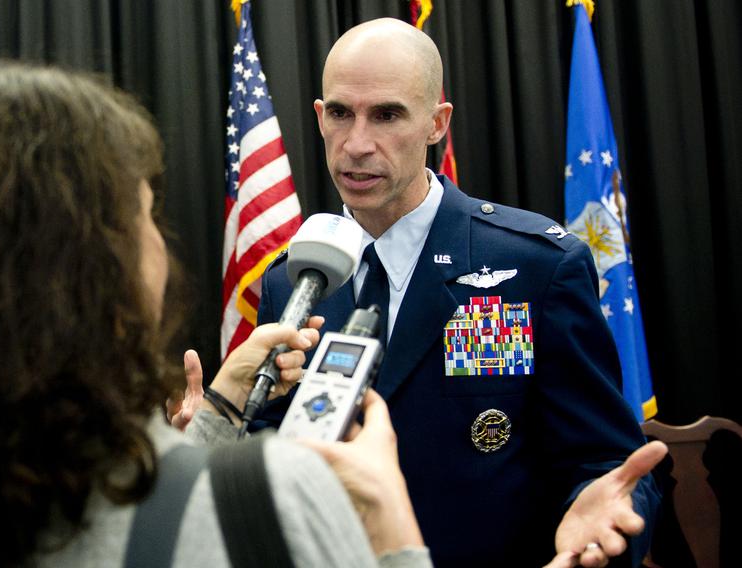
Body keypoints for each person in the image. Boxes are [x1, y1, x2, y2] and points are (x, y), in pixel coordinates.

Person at [0, 61, 432, 567]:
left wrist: (218, 409)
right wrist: (392, 525)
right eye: (146, 212)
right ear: (95, 270)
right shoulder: (276, 499)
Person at [251, 18, 662, 568]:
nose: (357, 144)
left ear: (436, 124)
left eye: (388, 114)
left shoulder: (534, 266)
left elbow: (609, 466)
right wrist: (215, 437)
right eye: (342, 114)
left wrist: (604, 532)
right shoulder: (293, 279)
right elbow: (273, 448)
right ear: (320, 117)